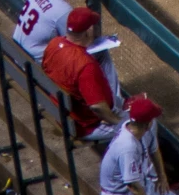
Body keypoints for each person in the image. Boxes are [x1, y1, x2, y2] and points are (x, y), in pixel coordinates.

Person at [42, 7, 121, 142]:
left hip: (56, 107)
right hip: (83, 126)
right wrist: (116, 121)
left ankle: (116, 105)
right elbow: (97, 107)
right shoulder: (86, 66)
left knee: (102, 53)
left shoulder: (54, 44)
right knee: (145, 125)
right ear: (88, 31)